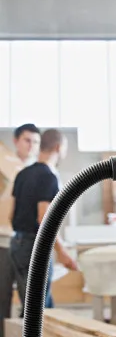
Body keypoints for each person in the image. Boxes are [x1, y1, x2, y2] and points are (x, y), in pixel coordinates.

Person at [10, 128, 78, 312]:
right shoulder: (49, 177)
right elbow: (44, 219)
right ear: (58, 147)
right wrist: (62, 251)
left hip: (17, 242)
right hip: (35, 245)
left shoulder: (23, 174)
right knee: (39, 309)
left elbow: (11, 214)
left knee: (33, 303)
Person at [0, 124, 41, 337]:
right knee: (2, 295)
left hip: (28, 240)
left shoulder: (39, 170)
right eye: (27, 140)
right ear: (16, 141)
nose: (31, 146)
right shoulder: (4, 166)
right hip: (3, 239)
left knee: (30, 297)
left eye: (35, 142)